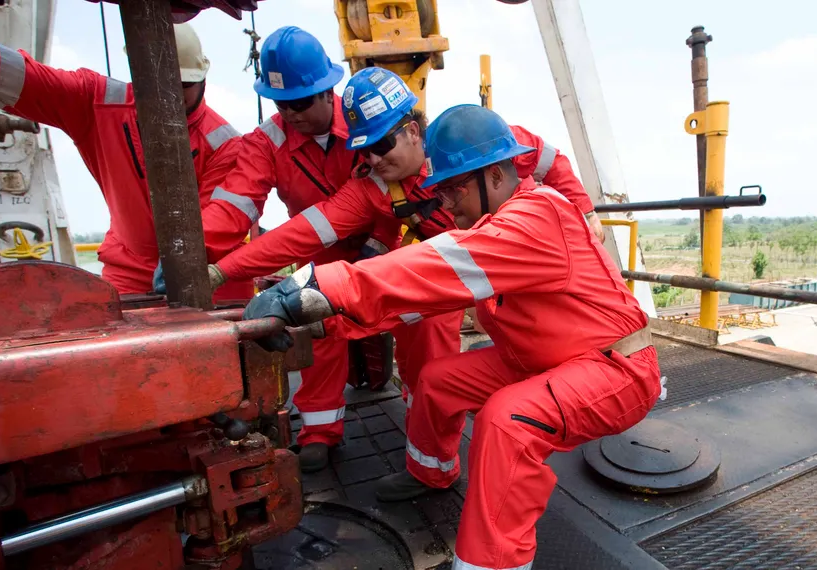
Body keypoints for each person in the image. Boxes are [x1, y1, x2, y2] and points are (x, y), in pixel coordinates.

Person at [241, 104, 662, 570]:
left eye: (453, 189)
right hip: (543, 358)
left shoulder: (538, 215)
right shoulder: (496, 227)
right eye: (440, 191)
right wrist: (324, 324)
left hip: (614, 369)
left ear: (495, 175)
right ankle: (432, 472)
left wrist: (316, 286)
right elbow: (422, 300)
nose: (445, 203)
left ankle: (493, 564)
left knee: (509, 421)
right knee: (438, 381)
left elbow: (437, 264)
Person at [208, 66, 605, 467]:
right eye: (364, 150)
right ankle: (432, 464)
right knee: (427, 354)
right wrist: (225, 270)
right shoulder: (375, 187)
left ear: (413, 131)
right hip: (464, 274)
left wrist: (586, 211)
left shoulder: (476, 140)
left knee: (543, 351)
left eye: (382, 144)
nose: (374, 159)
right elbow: (308, 230)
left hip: (530, 268)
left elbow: (549, 158)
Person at [0, 0, 248, 301]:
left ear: (203, 77)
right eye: (158, 82)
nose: (169, 96)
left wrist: (185, 266)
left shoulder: (224, 143)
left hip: (212, 278)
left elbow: (218, 223)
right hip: (129, 276)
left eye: (182, 85)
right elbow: (6, 73)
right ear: (137, 72)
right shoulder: (96, 103)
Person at [191, 26, 401, 472]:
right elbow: (236, 204)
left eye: (300, 103)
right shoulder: (267, 142)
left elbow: (397, 186)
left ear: (328, 92)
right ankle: (321, 431)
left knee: (419, 323)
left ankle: (425, 419)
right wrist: (199, 254)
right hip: (321, 250)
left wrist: (380, 244)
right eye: (280, 104)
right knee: (317, 329)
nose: (290, 114)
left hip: (385, 245)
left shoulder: (364, 120)